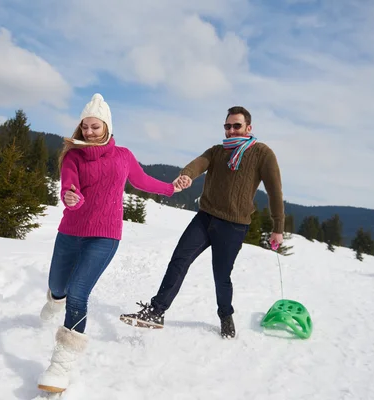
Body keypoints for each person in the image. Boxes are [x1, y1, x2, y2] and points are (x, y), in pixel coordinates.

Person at [37, 93, 183, 393]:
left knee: (78, 294)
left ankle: (60, 365)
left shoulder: (124, 156)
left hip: (105, 235)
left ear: (107, 127)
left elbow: (142, 181)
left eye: (95, 127)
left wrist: (171, 188)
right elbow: (68, 186)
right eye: (85, 127)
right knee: (59, 286)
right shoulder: (73, 156)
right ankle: (54, 299)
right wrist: (71, 198)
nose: (89, 132)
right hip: (71, 231)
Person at [119, 106, 285, 339]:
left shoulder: (263, 154)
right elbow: (199, 163)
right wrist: (187, 174)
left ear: (249, 127)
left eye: (236, 126)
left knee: (221, 275)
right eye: (227, 126)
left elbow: (275, 191)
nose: (231, 130)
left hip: (234, 225)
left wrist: (278, 227)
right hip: (205, 217)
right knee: (179, 259)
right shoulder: (218, 151)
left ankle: (225, 316)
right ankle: (157, 311)